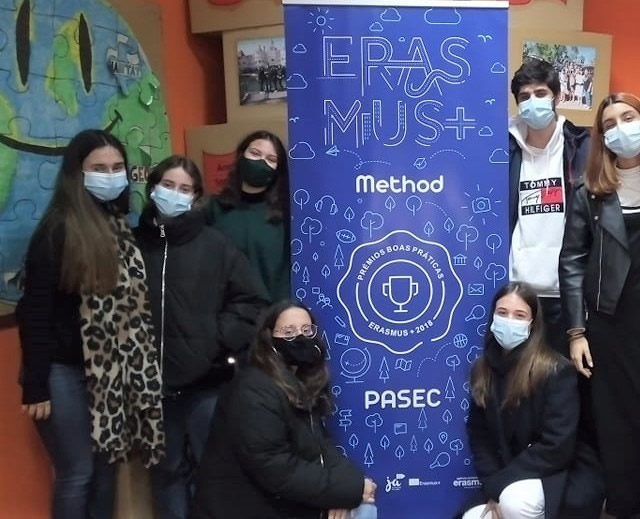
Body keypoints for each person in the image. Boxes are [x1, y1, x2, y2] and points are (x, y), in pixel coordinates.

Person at [17, 129, 165, 519]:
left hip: (108, 374)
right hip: (62, 371)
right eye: (99, 168)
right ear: (77, 173)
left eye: (117, 167)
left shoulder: (119, 225)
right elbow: (34, 310)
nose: (110, 175)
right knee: (78, 472)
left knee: (107, 469)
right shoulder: (58, 229)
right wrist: (36, 385)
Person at [559, 93, 640, 518]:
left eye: (627, 117)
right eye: (609, 124)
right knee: (612, 422)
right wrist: (576, 332)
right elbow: (571, 261)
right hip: (608, 325)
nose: (619, 129)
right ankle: (622, 506)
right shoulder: (590, 192)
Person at [133, 155, 268, 519]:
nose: (174, 194)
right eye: (168, 186)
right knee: (167, 472)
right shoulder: (132, 245)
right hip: (150, 388)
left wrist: (216, 339)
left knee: (215, 471)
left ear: (195, 197)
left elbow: (252, 301)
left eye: (185, 189)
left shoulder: (215, 245)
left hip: (205, 384)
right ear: (152, 188)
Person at [193, 301, 378, 519]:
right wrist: (348, 491)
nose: (300, 337)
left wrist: (352, 488)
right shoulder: (253, 388)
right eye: (288, 332)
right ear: (269, 339)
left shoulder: (299, 382)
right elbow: (273, 466)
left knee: (363, 507)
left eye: (307, 330)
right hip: (242, 507)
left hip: (279, 501)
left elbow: (321, 448)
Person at [459, 282, 603, 519]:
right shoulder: (482, 369)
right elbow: (479, 435)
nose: (509, 320)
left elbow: (557, 446)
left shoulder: (556, 371)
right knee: (472, 517)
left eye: (519, 315)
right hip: (504, 476)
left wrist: (501, 485)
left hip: (554, 474)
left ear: (533, 324)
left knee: (514, 502)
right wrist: (492, 484)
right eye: (502, 312)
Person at [508, 58, 590, 356]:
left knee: (564, 377)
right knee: (518, 376)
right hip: (518, 292)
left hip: (567, 293)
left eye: (540, 93)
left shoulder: (582, 147)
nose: (533, 101)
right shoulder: (503, 149)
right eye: (525, 96)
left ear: (556, 96)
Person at [205, 131, 291, 302]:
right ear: (240, 156)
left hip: (270, 311)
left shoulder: (286, 216)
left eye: (271, 159)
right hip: (223, 311)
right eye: (255, 153)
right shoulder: (212, 208)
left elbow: (285, 275)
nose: (261, 162)